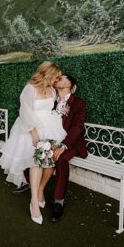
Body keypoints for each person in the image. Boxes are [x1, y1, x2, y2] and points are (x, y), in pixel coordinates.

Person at [12, 72, 88, 221]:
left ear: (68, 85)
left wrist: (63, 146)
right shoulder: (51, 99)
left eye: (62, 78)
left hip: (69, 143)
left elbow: (77, 128)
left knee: (60, 159)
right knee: (32, 151)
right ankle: (34, 185)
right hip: (50, 139)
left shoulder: (78, 103)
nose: (58, 78)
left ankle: (59, 201)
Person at [0, 62, 65, 224]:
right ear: (47, 74)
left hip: (50, 128)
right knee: (36, 163)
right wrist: (35, 136)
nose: (57, 79)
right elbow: (25, 112)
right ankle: (34, 201)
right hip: (30, 130)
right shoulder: (30, 89)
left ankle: (41, 189)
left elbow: (52, 110)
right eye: (56, 76)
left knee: (49, 165)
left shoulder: (53, 90)